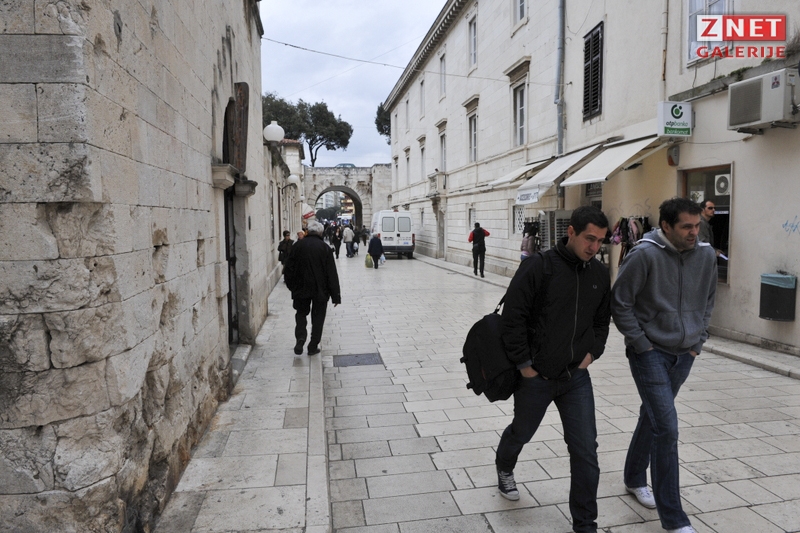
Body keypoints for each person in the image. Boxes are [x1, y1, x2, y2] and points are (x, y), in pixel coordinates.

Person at [496, 206, 611, 533]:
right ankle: (504, 466)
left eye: (600, 241)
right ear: (571, 232)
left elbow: (602, 322)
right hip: (536, 377)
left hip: (576, 377)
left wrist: (592, 354)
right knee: (522, 432)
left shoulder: (599, 274)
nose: (594, 247)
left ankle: (585, 525)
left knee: (586, 451)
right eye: (589, 238)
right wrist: (525, 366)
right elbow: (512, 318)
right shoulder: (539, 266)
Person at [611, 197, 717, 533]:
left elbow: (709, 299)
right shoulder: (643, 254)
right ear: (667, 226)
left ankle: (633, 477)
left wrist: (698, 341)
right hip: (650, 352)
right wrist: (641, 344)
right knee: (667, 428)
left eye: (697, 225)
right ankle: (674, 519)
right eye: (686, 226)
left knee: (654, 416)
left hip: (685, 353)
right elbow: (620, 302)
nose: (694, 232)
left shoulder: (706, 255)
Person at [283, 221, 341, 356]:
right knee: (318, 318)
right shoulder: (325, 248)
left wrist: (292, 287)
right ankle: (313, 346)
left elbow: (288, 268)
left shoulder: (297, 246)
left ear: (307, 231)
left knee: (301, 314)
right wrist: (335, 295)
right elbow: (331, 273)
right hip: (320, 290)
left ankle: (300, 339)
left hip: (300, 288)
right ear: (320, 233)